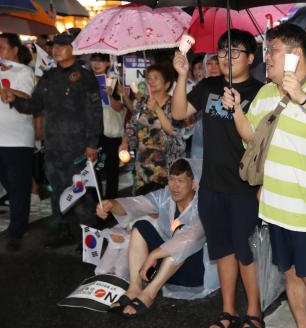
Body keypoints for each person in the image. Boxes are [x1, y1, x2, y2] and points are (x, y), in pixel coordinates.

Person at [222, 23, 306, 328]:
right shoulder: (266, 92)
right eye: (267, 50)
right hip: (275, 208)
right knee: (290, 275)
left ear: (295, 55)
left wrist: (302, 98)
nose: (266, 57)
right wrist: (236, 109)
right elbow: (252, 137)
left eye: (273, 50)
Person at [172, 29, 264, 328]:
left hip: (244, 187)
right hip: (212, 186)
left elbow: (261, 141)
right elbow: (179, 112)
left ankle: (254, 313)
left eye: (235, 52)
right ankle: (228, 311)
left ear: (251, 58)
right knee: (222, 250)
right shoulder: (209, 85)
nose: (226, 57)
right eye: (223, 51)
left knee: (244, 251)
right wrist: (182, 76)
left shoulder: (261, 92)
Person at [2, 29, 102, 248]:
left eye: (62, 46)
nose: (56, 50)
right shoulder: (48, 76)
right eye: (54, 46)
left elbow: (94, 113)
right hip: (54, 146)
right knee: (58, 190)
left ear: (74, 50)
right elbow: (34, 106)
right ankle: (63, 230)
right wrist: (13, 99)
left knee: (81, 190)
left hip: (78, 147)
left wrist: (92, 144)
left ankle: (90, 238)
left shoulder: (85, 77)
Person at [96, 158, 206, 317]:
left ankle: (149, 293)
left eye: (180, 181)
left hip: (192, 272)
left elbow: (189, 238)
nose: (174, 186)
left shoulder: (203, 205)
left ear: (194, 184)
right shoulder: (165, 196)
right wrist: (112, 205)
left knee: (179, 242)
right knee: (140, 226)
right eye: (171, 179)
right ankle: (135, 288)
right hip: (166, 270)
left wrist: (154, 254)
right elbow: (137, 204)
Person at [122, 63, 185, 195]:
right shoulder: (141, 102)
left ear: (167, 84)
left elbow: (173, 131)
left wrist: (157, 109)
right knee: (141, 201)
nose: (151, 81)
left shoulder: (175, 104)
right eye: (149, 78)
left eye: (156, 78)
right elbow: (132, 126)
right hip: (143, 163)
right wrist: (124, 143)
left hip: (166, 165)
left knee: (164, 201)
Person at [0, 33, 35, 251]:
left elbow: (27, 97)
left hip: (17, 139)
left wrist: (7, 89)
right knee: (6, 183)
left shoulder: (24, 71)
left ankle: (17, 229)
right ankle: (15, 224)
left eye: (2, 47)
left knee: (18, 185)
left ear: (14, 49)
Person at [89, 53, 125, 199]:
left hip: (110, 132)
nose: (96, 64)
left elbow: (119, 107)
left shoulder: (114, 81)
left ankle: (111, 201)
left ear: (108, 63)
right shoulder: (87, 82)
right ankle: (96, 202)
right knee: (94, 168)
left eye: (101, 61)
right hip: (93, 132)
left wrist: (109, 95)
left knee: (111, 168)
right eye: (94, 60)